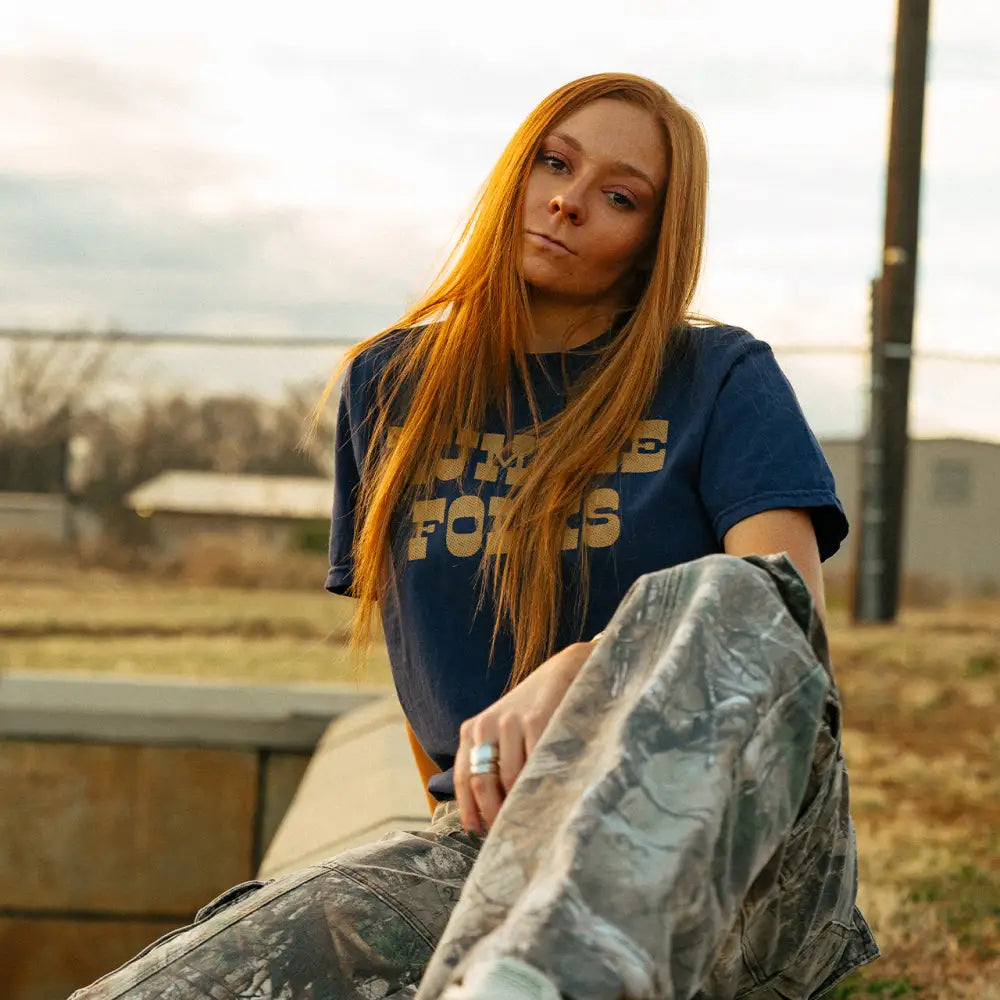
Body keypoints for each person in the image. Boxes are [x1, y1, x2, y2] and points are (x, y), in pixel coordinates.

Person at [71, 72, 878, 1000]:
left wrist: (593, 667)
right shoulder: (393, 388)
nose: (569, 201)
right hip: (501, 858)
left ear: (654, 239)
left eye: (619, 196)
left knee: (736, 593)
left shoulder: (719, 376)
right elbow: (428, 671)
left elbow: (785, 637)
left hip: (735, 856)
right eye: (554, 163)